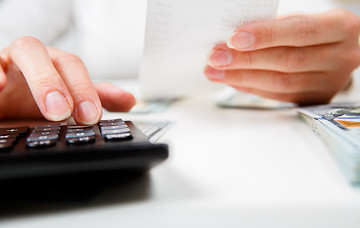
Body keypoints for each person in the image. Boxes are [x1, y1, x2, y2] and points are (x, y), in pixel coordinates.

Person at [1, 0, 360, 125]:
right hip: (106, 124)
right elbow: (10, 37)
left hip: (268, 142)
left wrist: (340, 74)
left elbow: (333, 33)